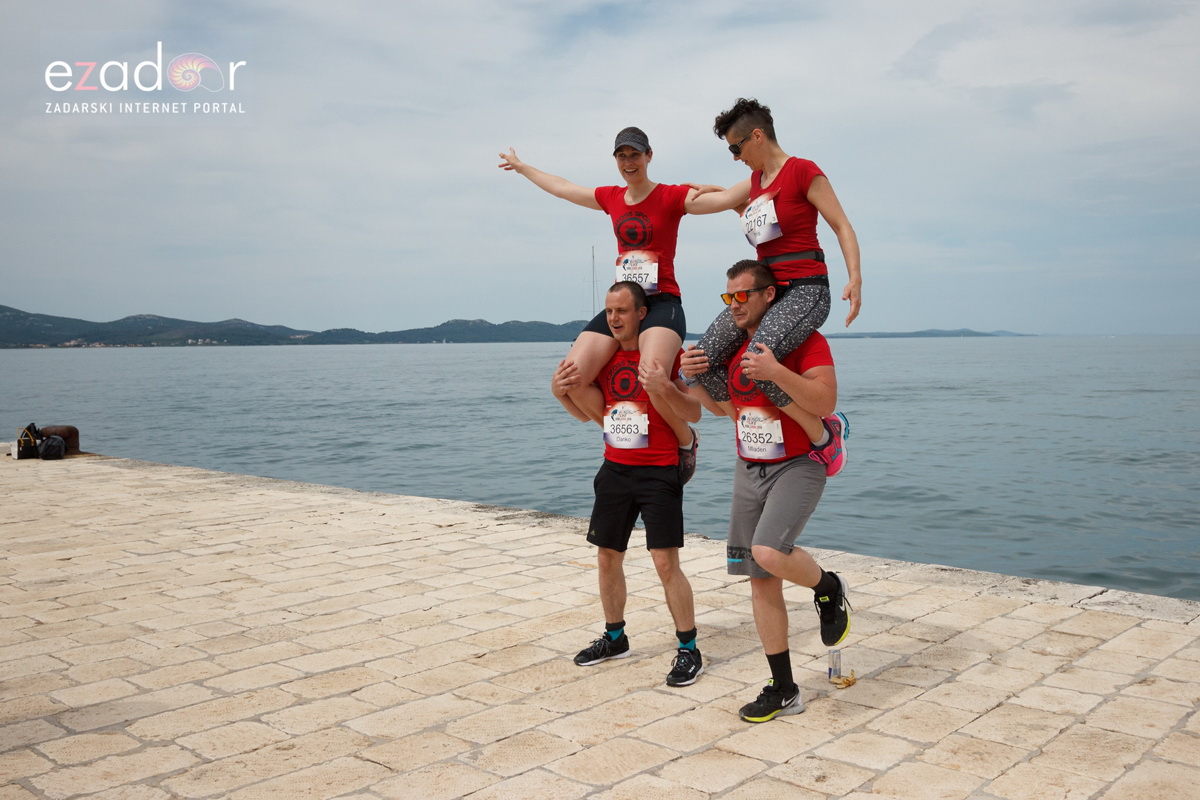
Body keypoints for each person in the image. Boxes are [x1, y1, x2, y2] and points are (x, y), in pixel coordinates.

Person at [499, 127, 734, 470]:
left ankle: (686, 441)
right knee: (571, 379)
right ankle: (619, 433)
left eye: (635, 155)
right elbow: (563, 188)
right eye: (621, 156)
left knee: (651, 376)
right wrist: (523, 167)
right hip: (623, 305)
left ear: (648, 156)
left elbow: (722, 200)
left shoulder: (670, 195)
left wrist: (741, 188)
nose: (628, 162)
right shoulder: (611, 197)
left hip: (662, 303)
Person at [681, 260, 851, 722]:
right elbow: (725, 410)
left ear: (769, 296)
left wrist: (775, 371)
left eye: (743, 296)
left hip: (799, 464)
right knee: (758, 575)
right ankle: (784, 688)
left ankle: (829, 587)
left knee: (769, 553)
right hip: (749, 466)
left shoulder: (806, 341)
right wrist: (694, 376)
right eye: (727, 297)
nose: (734, 305)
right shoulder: (734, 346)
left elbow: (825, 402)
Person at [688, 98, 860, 473]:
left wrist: (855, 278)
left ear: (758, 136)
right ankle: (747, 424)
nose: (735, 156)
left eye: (737, 147)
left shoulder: (802, 171)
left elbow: (842, 225)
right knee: (699, 363)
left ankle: (825, 437)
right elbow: (710, 207)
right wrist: (665, 198)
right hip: (769, 294)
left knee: (758, 362)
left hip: (807, 290)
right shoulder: (752, 184)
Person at [552, 281, 705, 687]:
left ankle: (689, 648)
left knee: (664, 562)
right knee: (606, 557)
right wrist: (559, 392)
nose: (614, 319)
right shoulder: (599, 361)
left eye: (622, 311)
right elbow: (585, 415)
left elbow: (695, 411)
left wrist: (666, 388)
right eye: (609, 312)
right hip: (615, 471)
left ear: (642, 313)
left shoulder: (660, 355)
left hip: (659, 470)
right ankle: (615, 637)